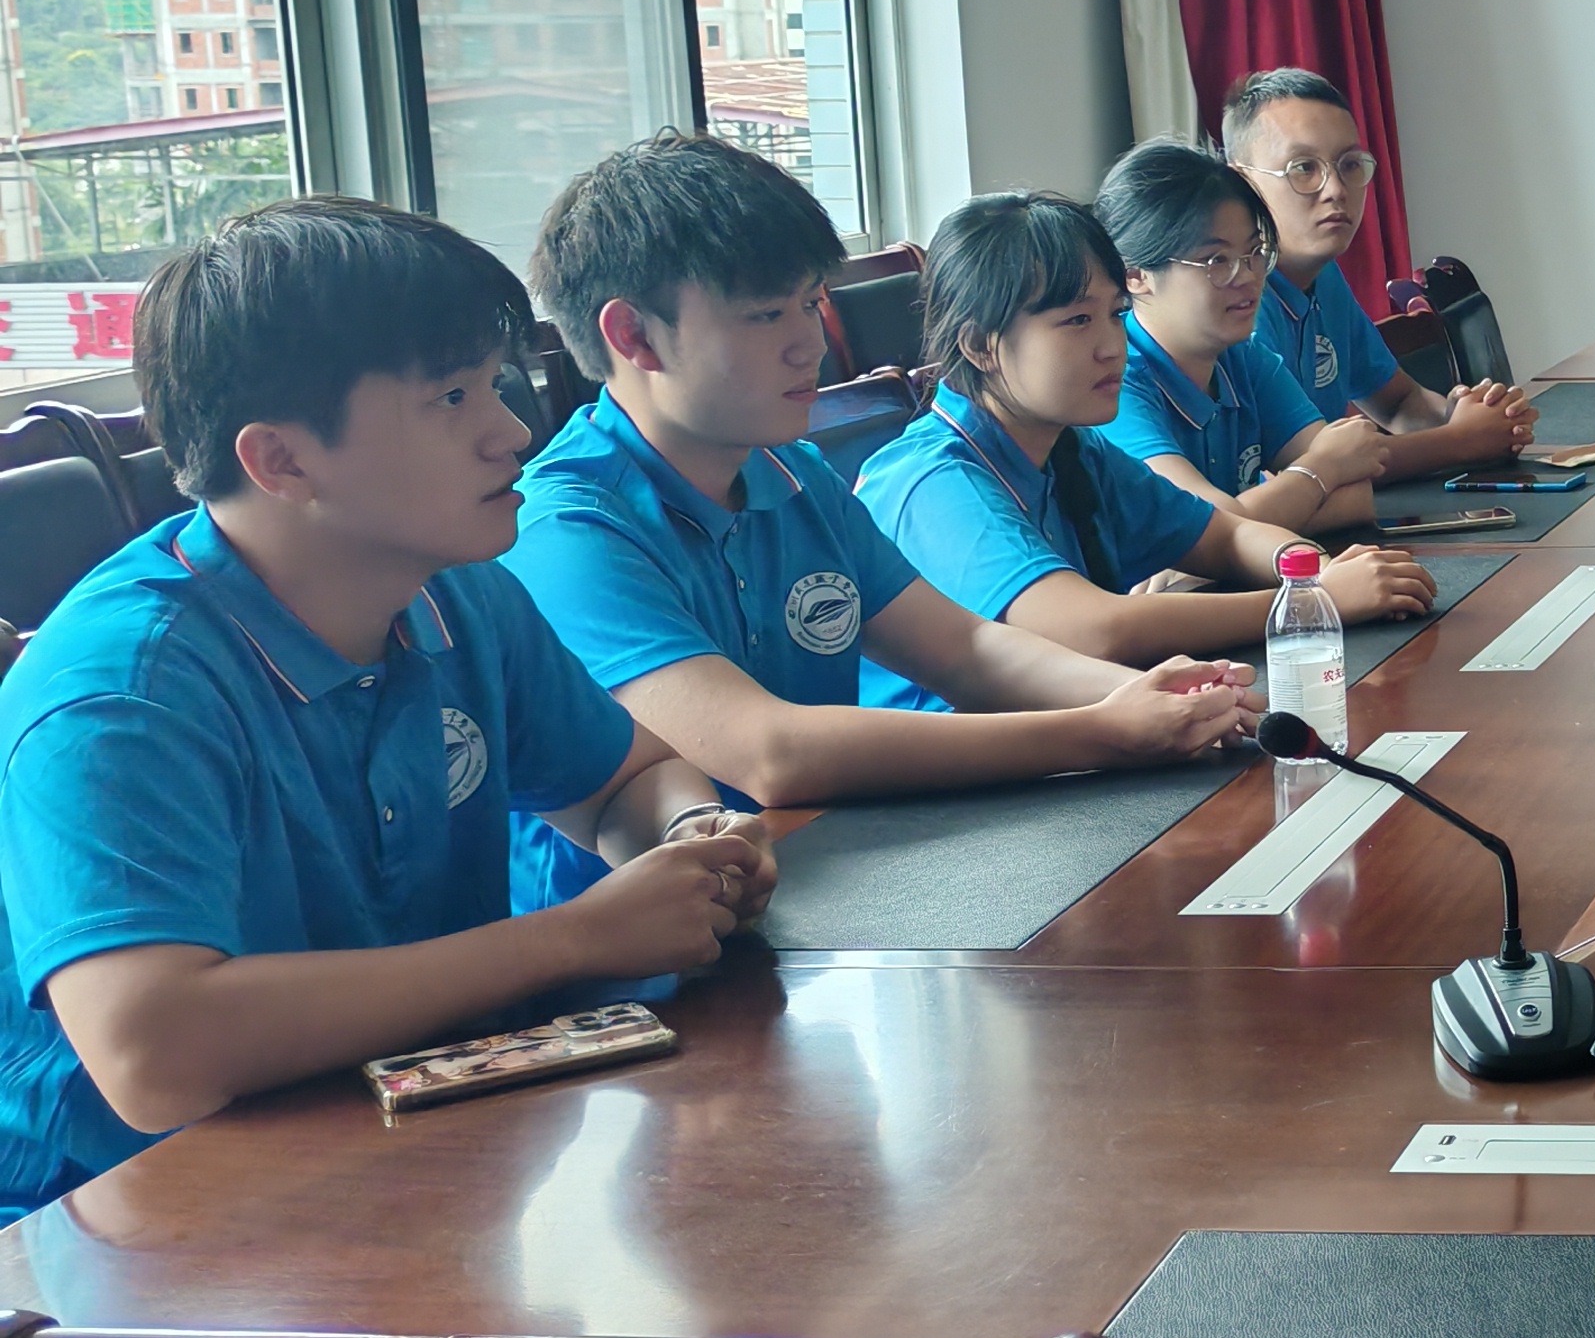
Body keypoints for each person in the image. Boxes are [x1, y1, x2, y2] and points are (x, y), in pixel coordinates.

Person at [0, 199, 771, 1220]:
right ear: (281, 461)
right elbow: (155, 1056)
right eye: (450, 398)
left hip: (416, 1145)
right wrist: (576, 938)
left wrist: (689, 839)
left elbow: (626, 777)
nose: (512, 432)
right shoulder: (122, 692)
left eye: (495, 383)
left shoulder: (453, 589)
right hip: (132, 1225)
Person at [505, 133, 1259, 898]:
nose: (808, 344)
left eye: (811, 303)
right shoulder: (567, 530)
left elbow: (964, 649)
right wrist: (1099, 730)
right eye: (765, 315)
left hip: (829, 875)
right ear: (634, 336)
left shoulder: (793, 473)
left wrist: (1147, 697)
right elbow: (769, 754)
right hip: (642, 942)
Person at [854, 191, 1436, 701]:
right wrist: (1310, 604)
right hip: (958, 781)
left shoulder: (1075, 449)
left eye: (1115, 314)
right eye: (1077, 321)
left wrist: (1314, 573)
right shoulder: (933, 479)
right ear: (980, 345)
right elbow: (1093, 629)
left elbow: (1226, 535)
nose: (1113, 346)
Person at [1095, 139, 1484, 533]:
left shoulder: (1242, 357)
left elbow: (1354, 485)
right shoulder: (1115, 384)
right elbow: (1210, 530)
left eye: (1254, 252)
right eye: (1217, 260)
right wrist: (1322, 469)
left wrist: (1264, 508)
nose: (1248, 276)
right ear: (1135, 276)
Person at [1222, 67, 1534, 462]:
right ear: (1241, 183)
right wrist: (1460, 440)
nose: (1336, 190)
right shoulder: (1238, 301)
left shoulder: (1325, 278)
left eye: (1350, 165)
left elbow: (1399, 403)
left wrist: (1472, 415)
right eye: (1303, 168)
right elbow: (1312, 466)